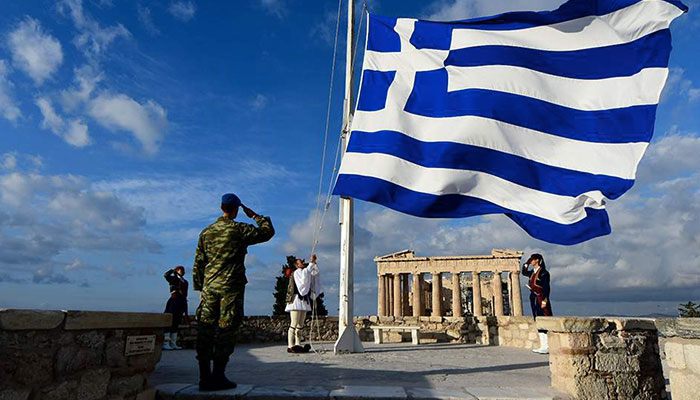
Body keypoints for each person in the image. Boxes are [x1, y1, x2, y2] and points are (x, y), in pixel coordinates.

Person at [193, 193, 275, 391]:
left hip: (209, 288)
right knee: (226, 329)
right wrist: (255, 216)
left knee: (205, 330)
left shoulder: (206, 232)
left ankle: (204, 377)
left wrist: (200, 288)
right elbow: (267, 232)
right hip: (230, 288)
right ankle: (218, 376)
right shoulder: (239, 229)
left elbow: (199, 263)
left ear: (222, 207)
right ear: (237, 209)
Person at [285, 254, 322, 353]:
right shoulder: (297, 272)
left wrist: (314, 264)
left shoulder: (304, 271)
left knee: (300, 324)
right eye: (300, 261)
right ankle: (290, 345)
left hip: (304, 301)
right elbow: (304, 278)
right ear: (297, 265)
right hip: (296, 300)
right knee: (294, 323)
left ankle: (298, 344)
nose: (303, 262)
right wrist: (311, 263)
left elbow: (313, 274)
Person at [522, 253, 552, 354]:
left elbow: (546, 288)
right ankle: (543, 345)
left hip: (540, 298)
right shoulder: (532, 272)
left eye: (532, 259)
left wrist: (545, 300)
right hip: (534, 298)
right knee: (537, 320)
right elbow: (524, 272)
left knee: (543, 319)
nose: (531, 261)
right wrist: (526, 264)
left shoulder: (544, 273)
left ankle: (546, 346)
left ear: (537, 260)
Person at [163, 265, 189, 350]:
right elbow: (166, 275)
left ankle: (173, 343)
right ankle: (166, 342)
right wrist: (172, 271)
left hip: (181, 301)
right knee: (169, 320)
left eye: (183, 270)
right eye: (180, 270)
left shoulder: (185, 281)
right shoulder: (173, 279)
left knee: (176, 322)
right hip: (174, 300)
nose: (182, 272)